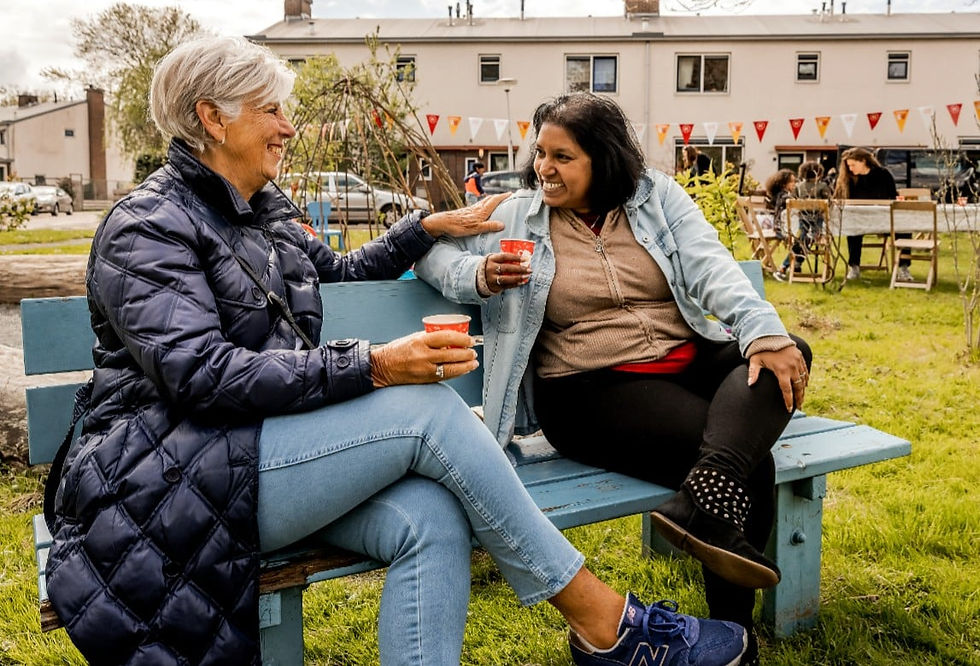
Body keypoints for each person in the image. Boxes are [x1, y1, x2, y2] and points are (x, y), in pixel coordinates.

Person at [43, 37, 747, 666]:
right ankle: (606, 624)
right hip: (167, 470)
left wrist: (425, 228)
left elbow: (340, 273)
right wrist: (373, 365)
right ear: (210, 118)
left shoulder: (264, 210)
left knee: (431, 520)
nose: (288, 126)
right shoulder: (148, 226)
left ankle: (601, 630)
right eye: (269, 110)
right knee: (425, 409)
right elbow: (200, 375)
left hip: (254, 453)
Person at [416, 92, 813, 666]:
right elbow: (429, 252)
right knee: (751, 458)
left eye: (562, 157)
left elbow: (710, 266)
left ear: (603, 160)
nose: (543, 168)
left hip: (683, 359)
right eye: (541, 153)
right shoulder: (517, 214)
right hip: (587, 386)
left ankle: (705, 498)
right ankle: (733, 636)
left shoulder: (656, 199)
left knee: (785, 351)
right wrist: (476, 274)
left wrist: (763, 332)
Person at [835, 147, 911, 282]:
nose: (851, 168)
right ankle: (854, 266)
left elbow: (892, 197)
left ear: (863, 161)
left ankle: (903, 267)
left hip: (884, 218)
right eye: (849, 166)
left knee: (903, 226)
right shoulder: (849, 179)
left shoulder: (883, 174)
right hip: (860, 218)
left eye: (853, 165)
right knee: (853, 229)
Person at [763, 168, 798, 281]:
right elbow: (791, 204)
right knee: (804, 239)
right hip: (782, 229)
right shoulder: (784, 196)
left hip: (780, 227)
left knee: (805, 237)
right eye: (791, 181)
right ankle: (784, 267)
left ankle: (795, 264)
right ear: (784, 184)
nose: (794, 184)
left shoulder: (779, 195)